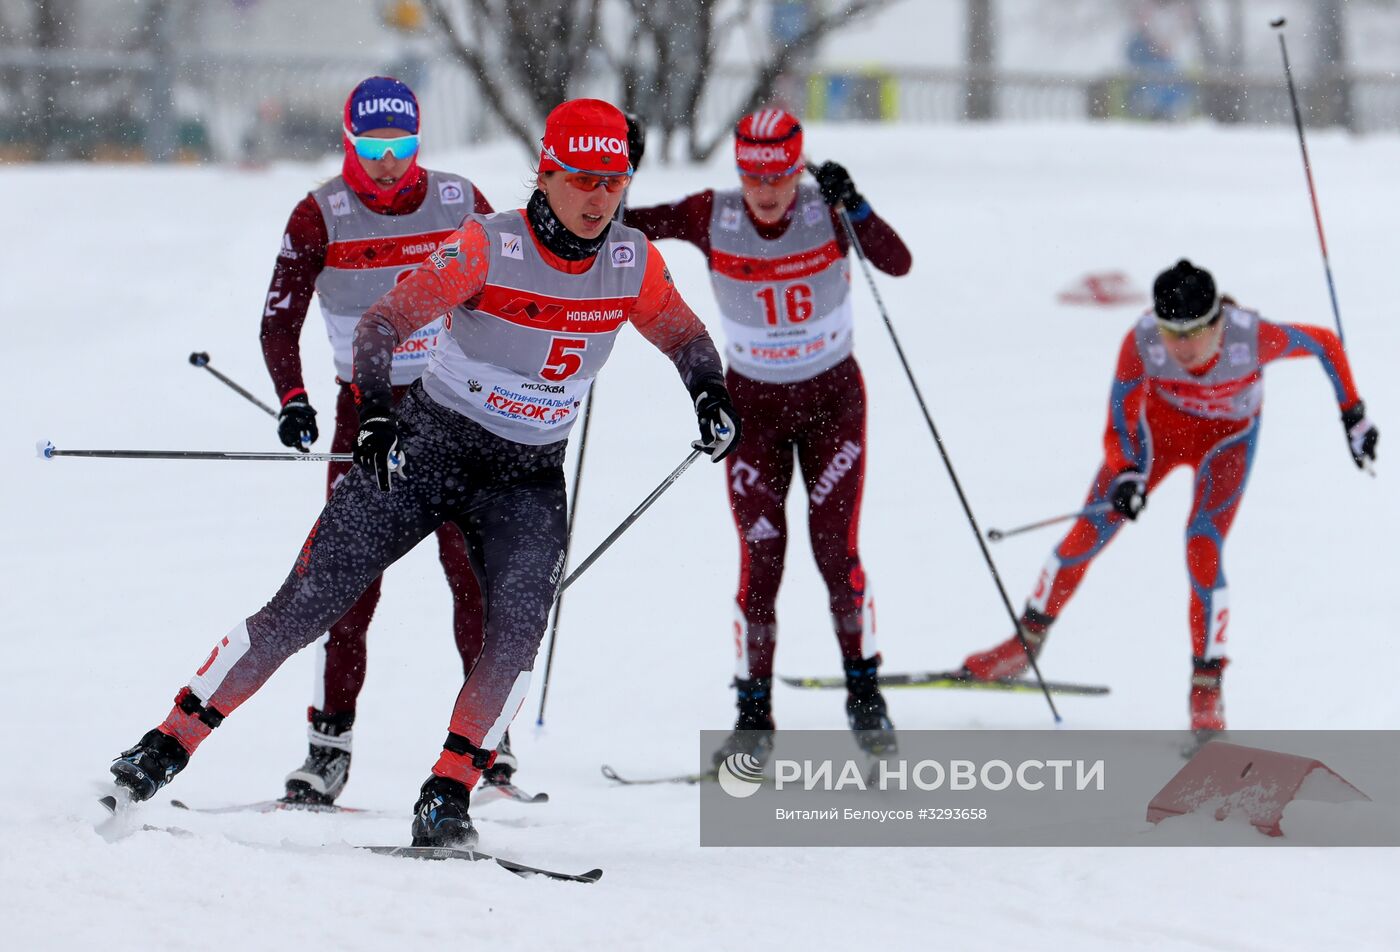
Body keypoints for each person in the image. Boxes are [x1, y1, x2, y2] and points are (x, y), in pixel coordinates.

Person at [109, 98, 740, 847]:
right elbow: (383, 323)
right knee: (310, 603)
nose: (600, 196)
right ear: (546, 173)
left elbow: (685, 335)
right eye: (582, 178)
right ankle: (164, 745)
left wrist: (709, 393)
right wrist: (374, 412)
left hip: (527, 477)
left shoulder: (632, 261)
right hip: (429, 448)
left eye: (614, 179)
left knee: (515, 633)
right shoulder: (488, 246)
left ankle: (448, 793)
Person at [961, 259, 1378, 740]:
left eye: (1192, 333)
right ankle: (1024, 644)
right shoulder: (1142, 340)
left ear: (1217, 321)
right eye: (1169, 332)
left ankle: (1206, 687)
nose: (1180, 346)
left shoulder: (1251, 338)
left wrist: (1354, 415)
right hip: (1160, 434)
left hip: (1227, 442)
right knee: (1090, 528)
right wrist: (1125, 474)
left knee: (1202, 545)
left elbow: (1325, 342)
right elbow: (1120, 414)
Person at [259, 76, 526, 806]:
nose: (386, 162)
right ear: (350, 142)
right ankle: (329, 749)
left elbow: (516, 280)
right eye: (372, 147)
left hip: (454, 411)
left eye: (400, 146)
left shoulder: (458, 201)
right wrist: (293, 401)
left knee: (471, 577)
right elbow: (278, 322)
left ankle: (487, 752)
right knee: (346, 588)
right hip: (364, 413)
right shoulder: (320, 214)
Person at [625, 109, 912, 763]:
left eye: (780, 172)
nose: (766, 188)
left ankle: (865, 698)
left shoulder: (826, 209)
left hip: (832, 403)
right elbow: (620, 231)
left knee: (835, 552)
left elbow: (897, 263)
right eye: (753, 172)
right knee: (762, 560)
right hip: (752, 410)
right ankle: (753, 717)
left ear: (798, 166)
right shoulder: (711, 214)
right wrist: (625, 171)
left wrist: (857, 206)